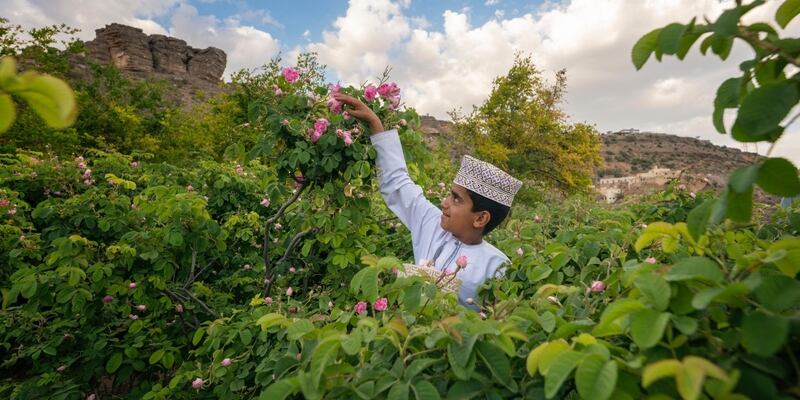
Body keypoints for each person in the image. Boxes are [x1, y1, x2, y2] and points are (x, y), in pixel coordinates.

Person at [334, 93, 523, 310]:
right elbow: (399, 184)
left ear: (480, 218)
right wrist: (376, 124)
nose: (444, 203)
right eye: (449, 194)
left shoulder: (498, 267)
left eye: (456, 199)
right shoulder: (432, 223)